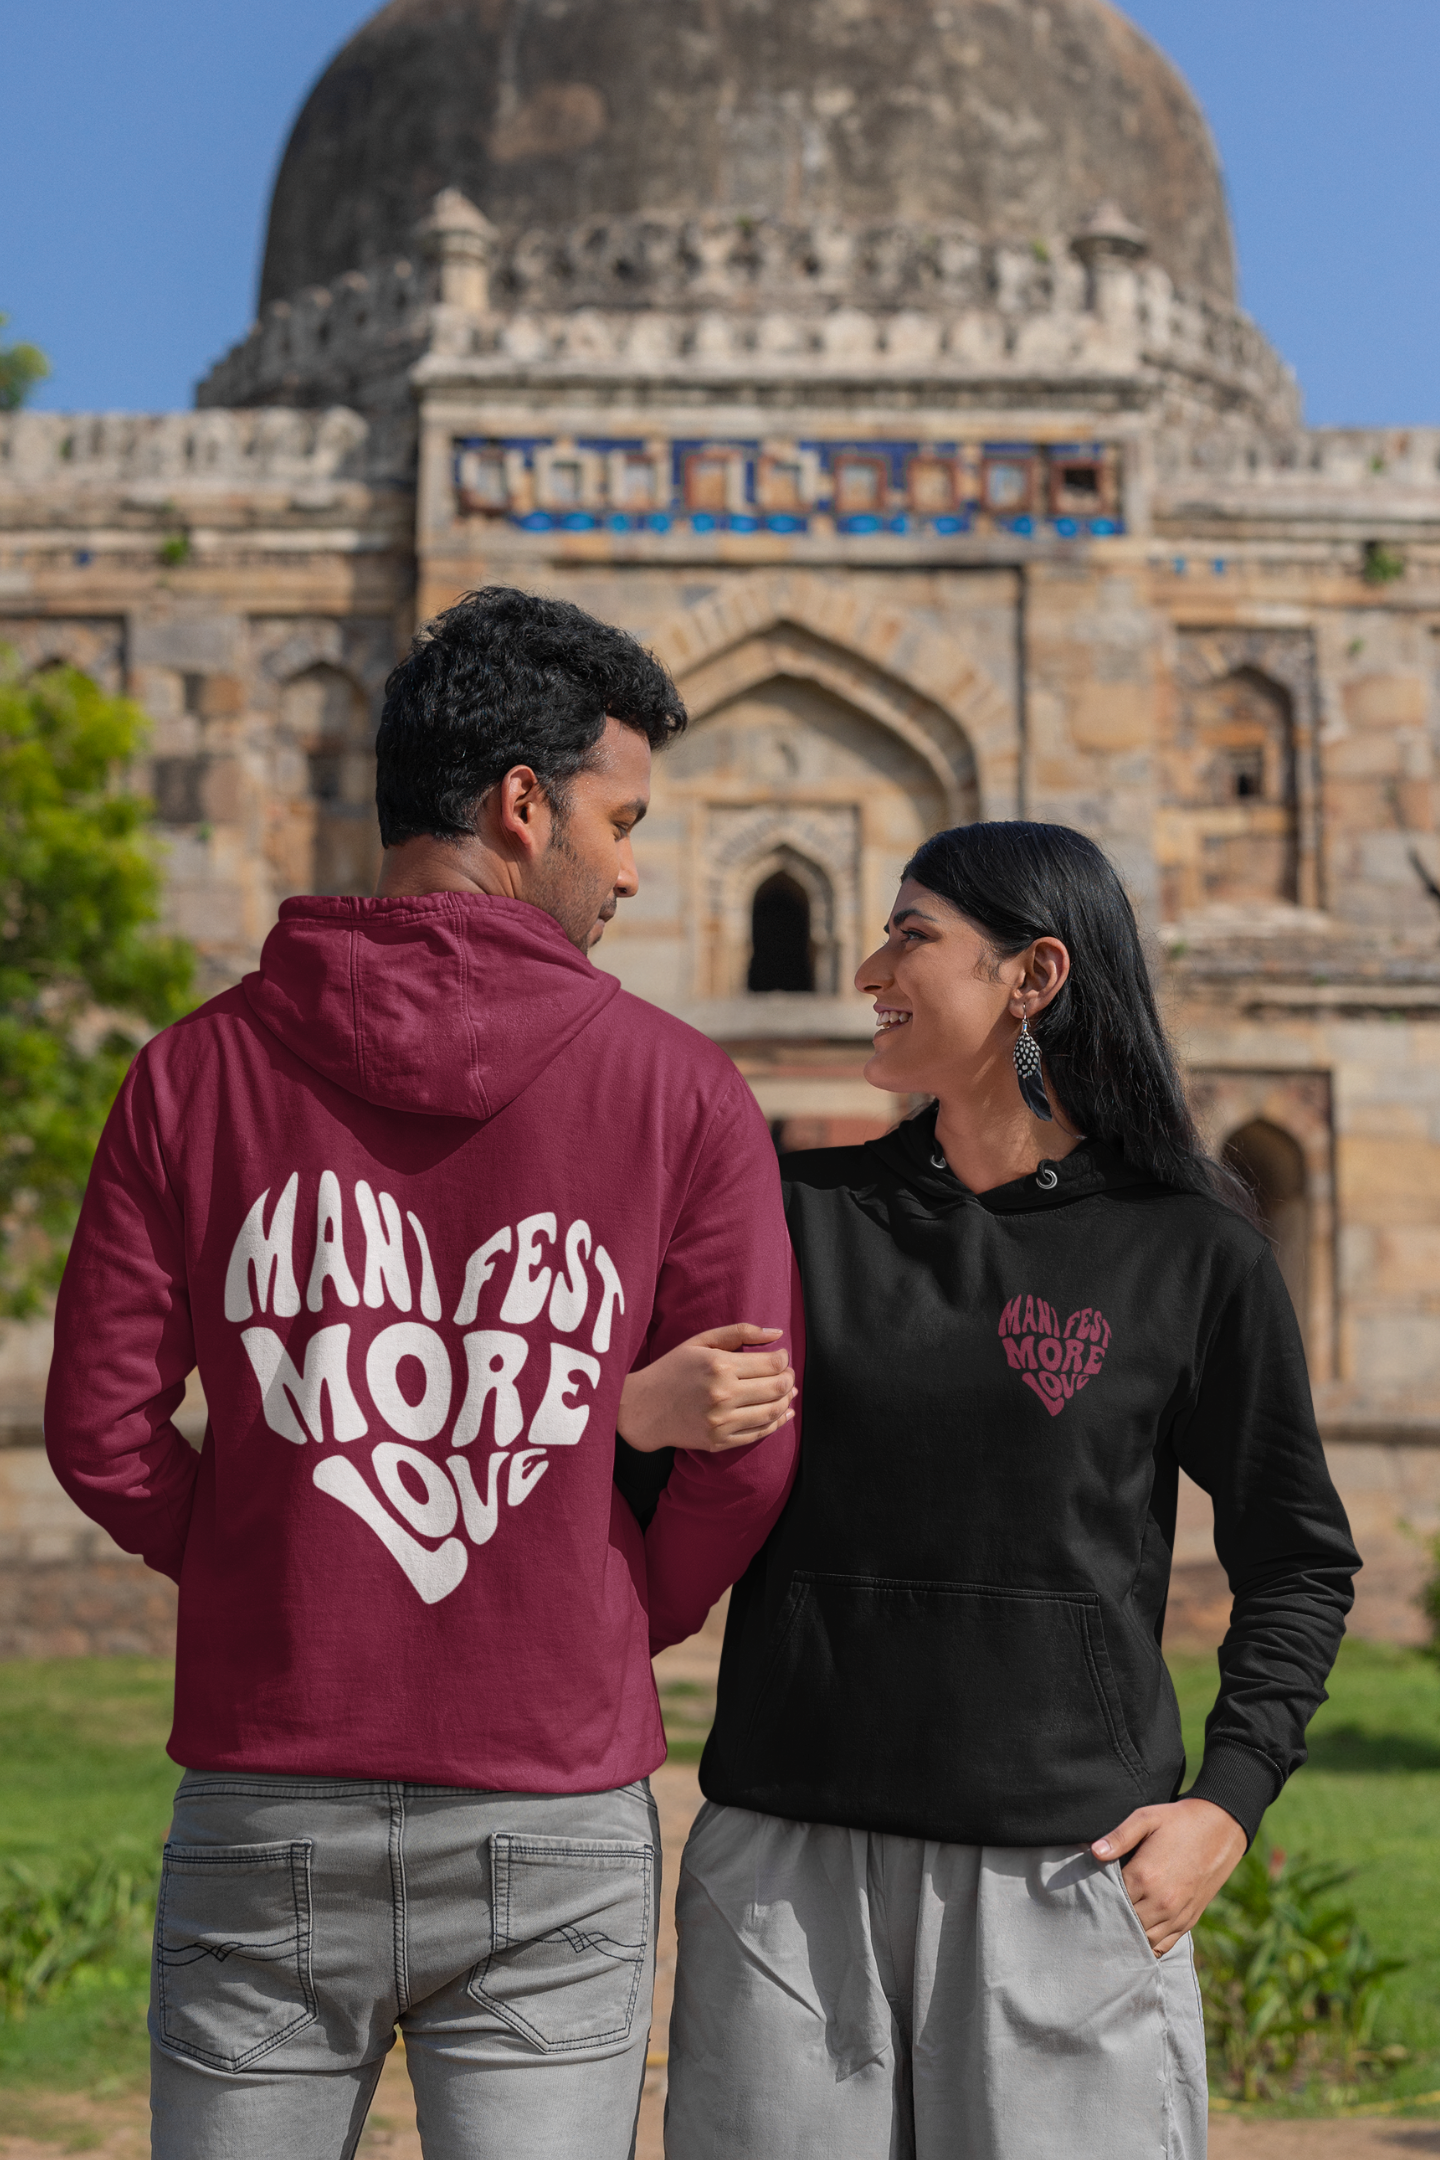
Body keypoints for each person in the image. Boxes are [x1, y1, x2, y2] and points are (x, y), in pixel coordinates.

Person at [44, 587, 799, 2160]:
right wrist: (594, 1599)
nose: (634, 867)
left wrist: (278, 1560)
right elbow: (747, 1440)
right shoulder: (679, 1091)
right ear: (524, 808)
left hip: (272, 1782)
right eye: (623, 819)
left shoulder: (192, 1072)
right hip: (551, 1796)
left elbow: (101, 1429)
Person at [661, 820, 1361, 2160]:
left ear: (1034, 976)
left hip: (1064, 1881)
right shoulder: (792, 1218)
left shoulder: (1192, 1250)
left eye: (911, 935)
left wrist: (1229, 1801)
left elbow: (1298, 1558)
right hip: (790, 1878)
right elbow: (641, 1473)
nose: (868, 967)